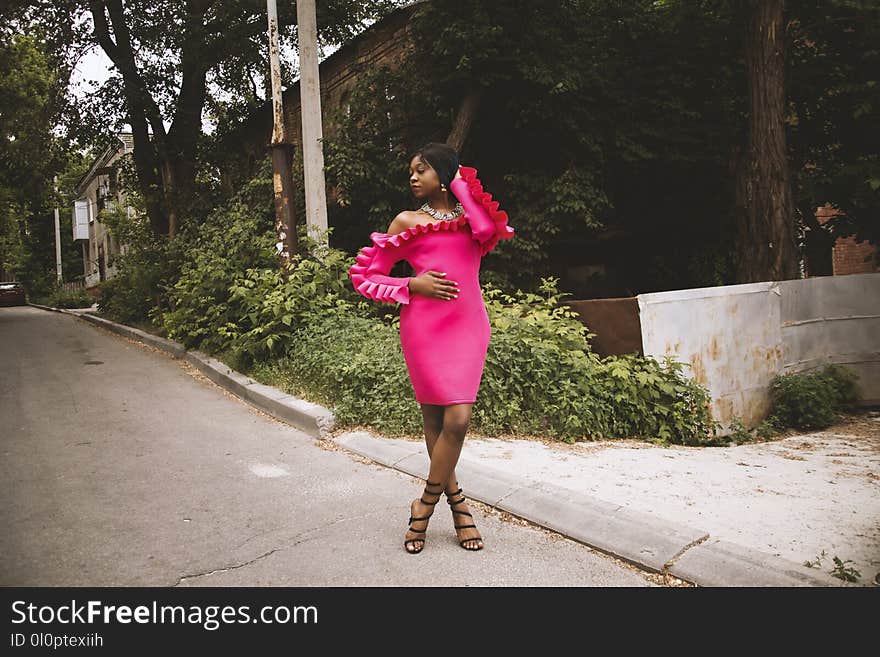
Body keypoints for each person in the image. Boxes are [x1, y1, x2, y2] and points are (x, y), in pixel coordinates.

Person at [349, 142, 515, 554]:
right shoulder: (406, 221)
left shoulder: (474, 220)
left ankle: (426, 502)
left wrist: (461, 187)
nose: (412, 177)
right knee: (436, 421)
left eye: (421, 170)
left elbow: (485, 232)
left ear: (443, 174)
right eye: (411, 171)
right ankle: (458, 506)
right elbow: (366, 277)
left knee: (458, 420)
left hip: (469, 326)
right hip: (424, 327)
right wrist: (412, 284)